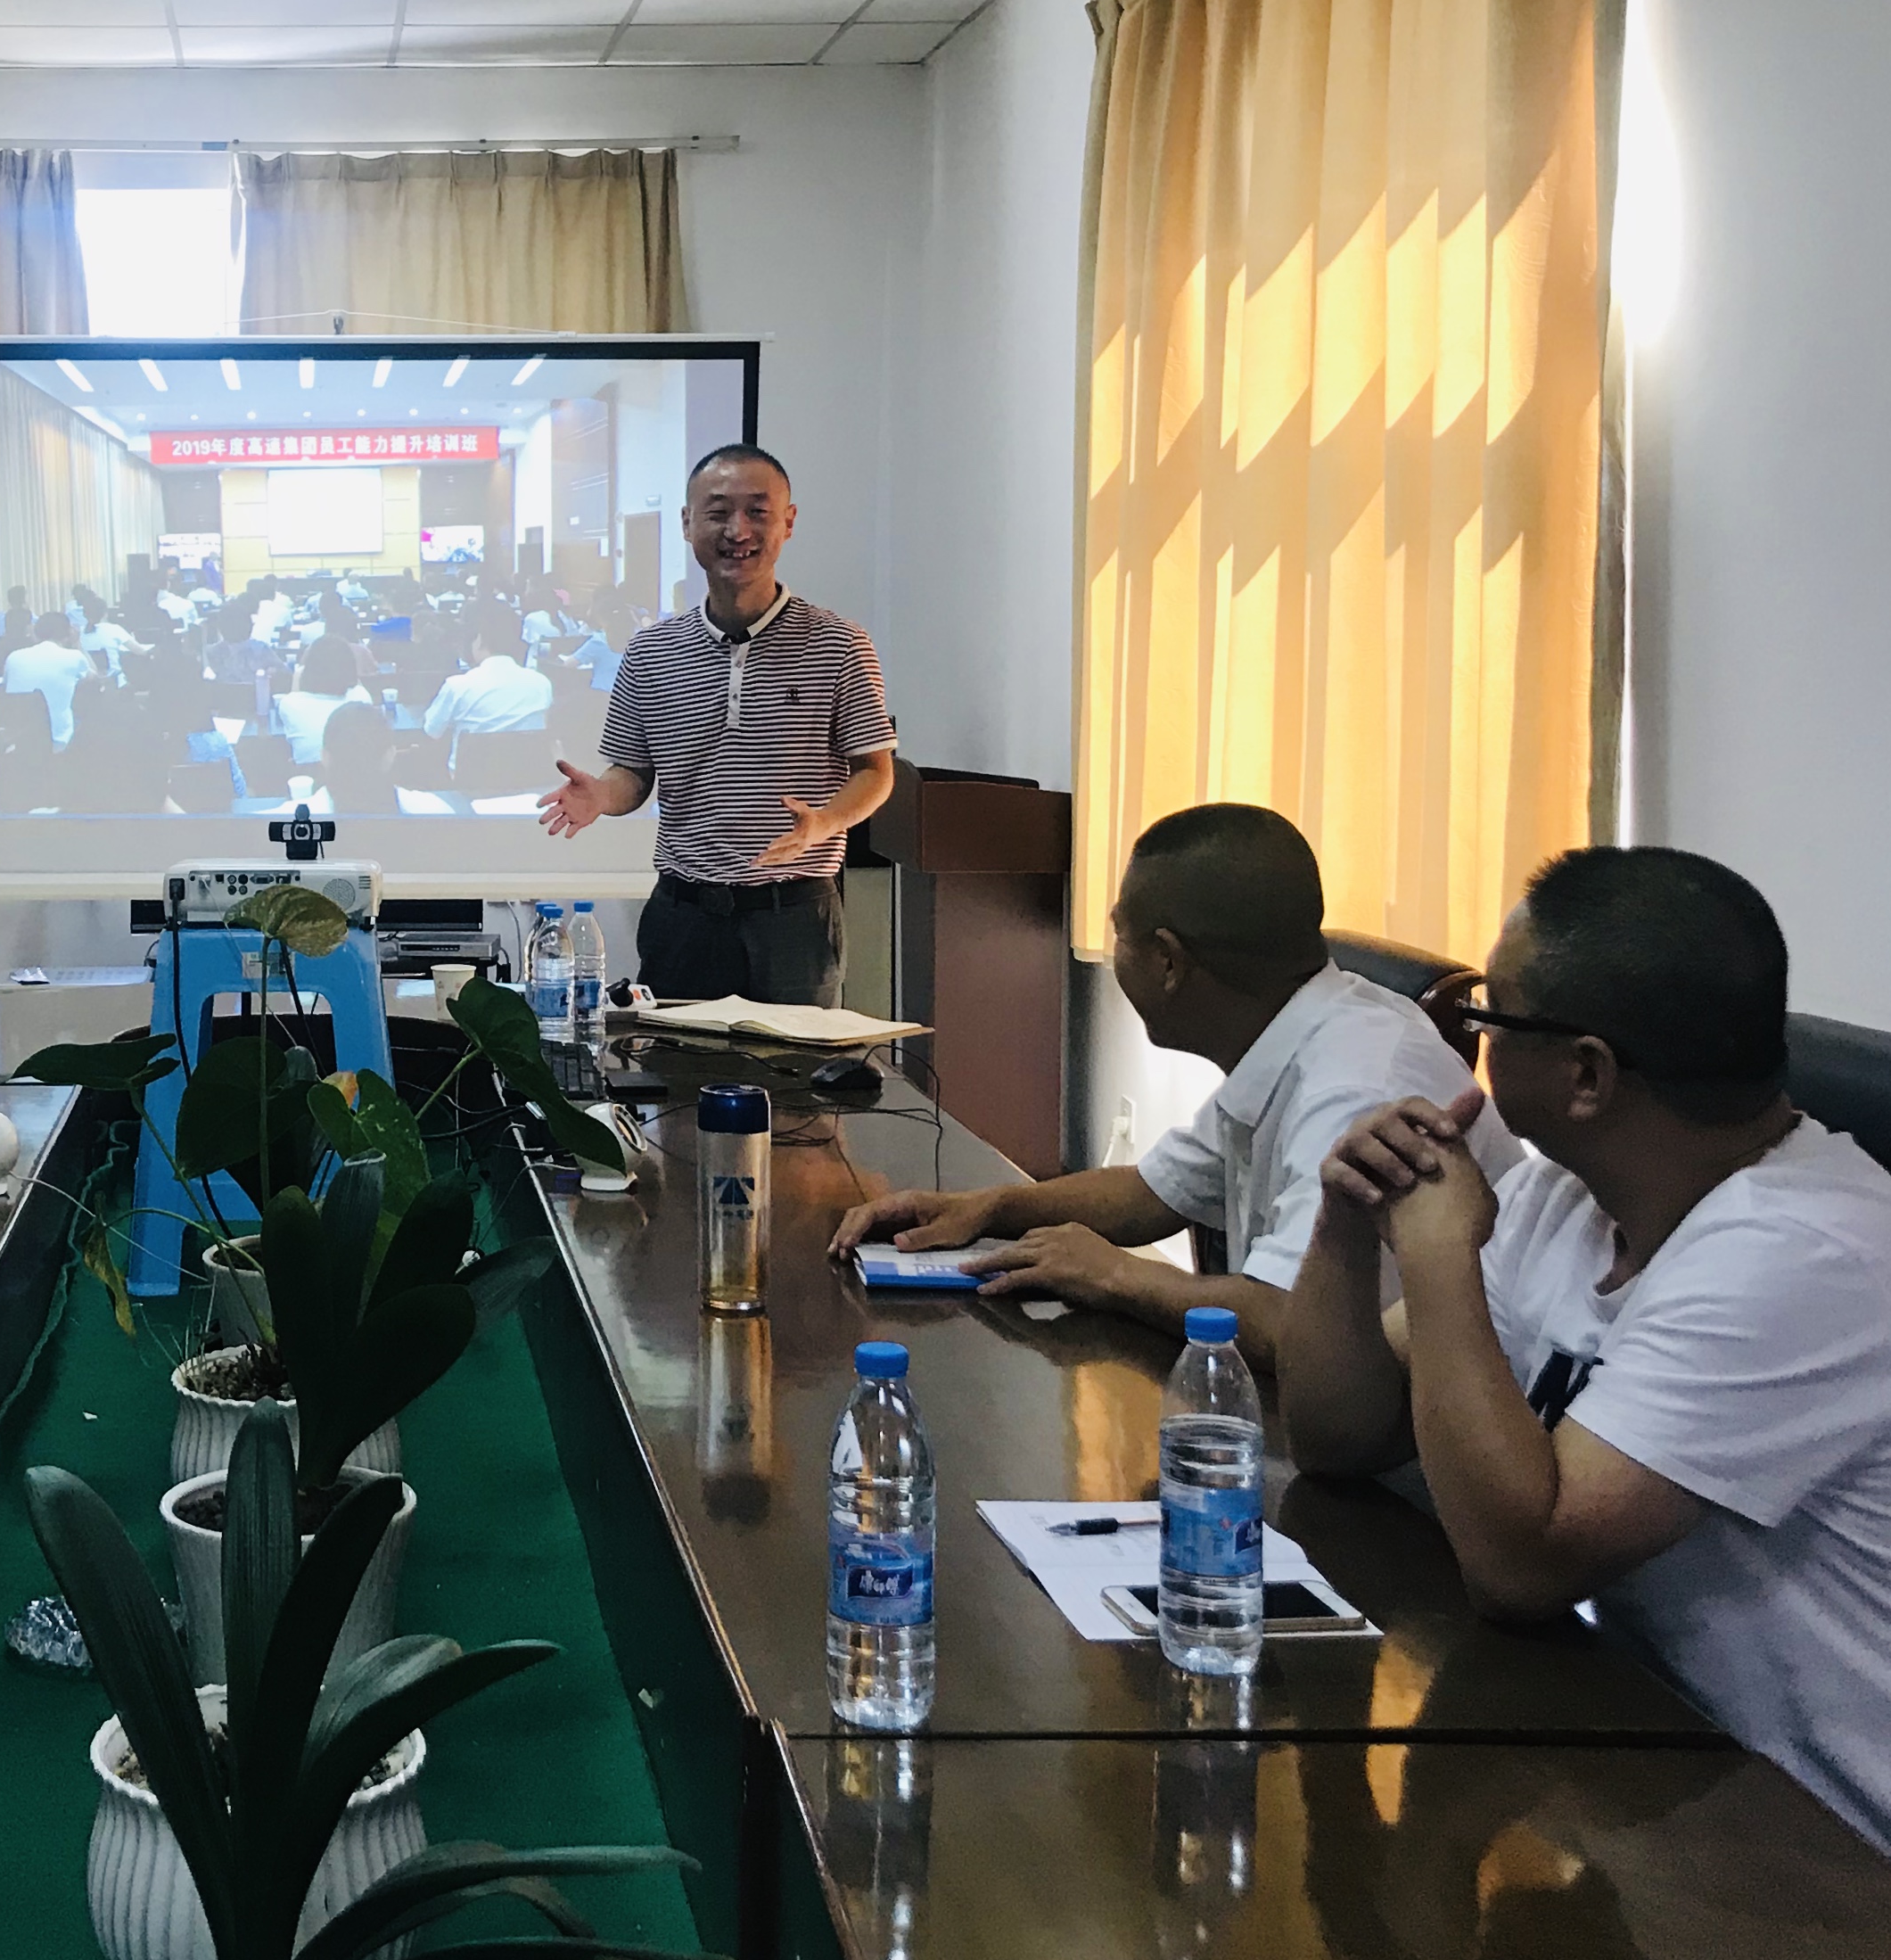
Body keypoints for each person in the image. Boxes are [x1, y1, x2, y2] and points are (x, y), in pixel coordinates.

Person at [1283, 847, 1891, 1912]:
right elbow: (1335, 1436)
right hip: (1710, 1814)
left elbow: (1521, 1566)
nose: (1473, 1051)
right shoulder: (1567, 1200)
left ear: (1588, 1074)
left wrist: (1436, 1254)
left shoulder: (1801, 1250)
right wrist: (1344, 1223)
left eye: (1492, 1022)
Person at [829, 803, 1512, 1363]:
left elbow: (1296, 1329)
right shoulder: (1296, 1032)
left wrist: (1116, 1274)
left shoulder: (1355, 1087)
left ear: (1166, 961)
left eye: (1119, 936)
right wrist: (990, 1207)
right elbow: (1153, 1192)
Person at [538, 444, 894, 1005]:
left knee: (795, 1062)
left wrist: (825, 822)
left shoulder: (838, 643)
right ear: (687, 523)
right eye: (718, 512)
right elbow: (634, 772)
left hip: (794, 916)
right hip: (684, 916)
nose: (738, 530)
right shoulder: (650, 650)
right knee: (674, 1061)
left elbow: (875, 771)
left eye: (758, 511)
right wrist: (602, 795)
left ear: (788, 522)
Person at [422, 601, 555, 739]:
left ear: (479, 639)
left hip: (471, 755)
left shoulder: (457, 686)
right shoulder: (542, 683)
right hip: (528, 754)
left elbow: (432, 730)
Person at [0, 611, 95, 750]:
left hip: (19, 740)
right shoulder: (74, 656)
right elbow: (94, 678)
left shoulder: (13, 657)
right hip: (60, 739)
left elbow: (6, 686)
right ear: (68, 633)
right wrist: (78, 644)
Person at [271, 637, 374, 764]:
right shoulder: (362, 696)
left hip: (309, 776)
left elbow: (295, 698)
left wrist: (297, 675)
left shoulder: (289, 703)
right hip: (356, 774)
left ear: (308, 670)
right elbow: (355, 684)